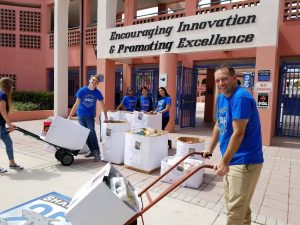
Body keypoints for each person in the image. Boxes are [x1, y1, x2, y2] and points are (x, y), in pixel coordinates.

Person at [203, 64, 264, 225]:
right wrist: (210, 149)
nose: (221, 83)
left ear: (234, 78)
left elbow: (239, 132)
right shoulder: (221, 97)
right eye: (217, 80)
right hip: (232, 160)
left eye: (224, 79)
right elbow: (219, 125)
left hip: (245, 161)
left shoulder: (241, 97)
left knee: (234, 212)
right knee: (241, 209)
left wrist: (223, 161)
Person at [68, 75, 107, 162]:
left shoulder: (97, 93)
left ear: (97, 84)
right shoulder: (82, 90)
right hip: (81, 115)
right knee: (85, 133)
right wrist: (70, 116)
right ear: (89, 80)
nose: (94, 82)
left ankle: (97, 153)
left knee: (92, 132)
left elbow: (103, 105)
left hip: (89, 116)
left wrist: (106, 116)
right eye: (93, 80)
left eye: (96, 81)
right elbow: (76, 104)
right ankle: (92, 151)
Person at [0, 77, 23, 173]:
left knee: (9, 143)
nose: (13, 86)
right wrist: (9, 124)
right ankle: (12, 163)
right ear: (7, 85)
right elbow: (2, 110)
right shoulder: (2, 95)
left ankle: (12, 163)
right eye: (11, 84)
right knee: (8, 143)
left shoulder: (3, 94)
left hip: (1, 125)